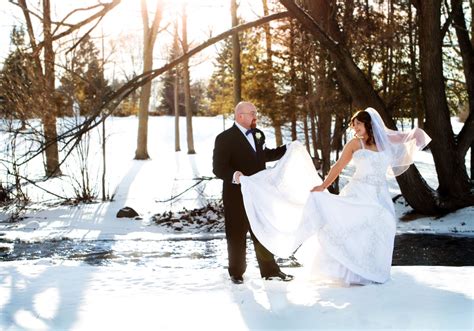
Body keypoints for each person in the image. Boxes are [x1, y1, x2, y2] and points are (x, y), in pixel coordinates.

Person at [239, 107, 431, 285]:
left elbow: (412, 136)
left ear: (369, 125)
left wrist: (417, 136)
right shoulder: (355, 144)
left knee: (383, 225)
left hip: (380, 194)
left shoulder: (385, 141)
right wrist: (323, 186)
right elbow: (338, 166)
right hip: (359, 191)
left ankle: (370, 268)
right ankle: (350, 272)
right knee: (353, 228)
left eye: (358, 124)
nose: (354, 127)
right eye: (353, 124)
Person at [212, 101, 294, 284]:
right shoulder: (224, 138)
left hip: (259, 194)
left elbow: (263, 156)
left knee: (262, 231)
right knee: (236, 233)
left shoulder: (258, 134)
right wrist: (235, 175)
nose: (255, 116)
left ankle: (270, 271)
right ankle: (236, 272)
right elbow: (218, 167)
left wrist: (288, 149)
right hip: (235, 194)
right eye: (252, 113)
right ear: (240, 115)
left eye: (255, 112)